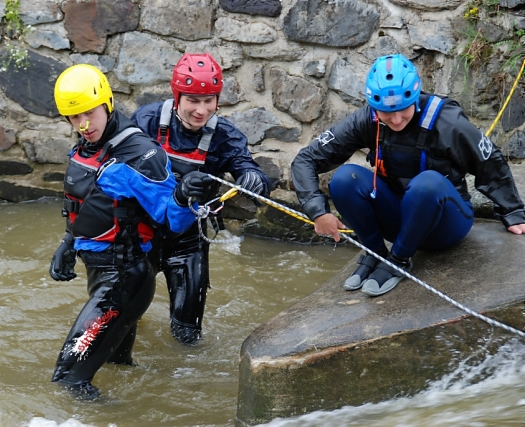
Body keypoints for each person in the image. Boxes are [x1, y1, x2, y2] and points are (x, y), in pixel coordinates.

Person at [291, 53, 525, 297]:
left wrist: (512, 210)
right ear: (374, 106)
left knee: (427, 183)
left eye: (403, 110)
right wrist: (317, 211)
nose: (395, 119)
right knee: (344, 179)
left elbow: (488, 159)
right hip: (399, 220)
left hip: (446, 225)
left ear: (415, 97)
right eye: (385, 112)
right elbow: (306, 159)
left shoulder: (446, 120)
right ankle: (375, 253)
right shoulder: (367, 119)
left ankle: (399, 261)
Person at [48, 64, 214, 399]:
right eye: (72, 117)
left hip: (125, 279)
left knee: (68, 380)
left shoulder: (141, 155)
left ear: (107, 103)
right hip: (99, 270)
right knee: (114, 366)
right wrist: (68, 244)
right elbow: (88, 203)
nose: (81, 124)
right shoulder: (87, 145)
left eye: (88, 113)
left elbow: (172, 221)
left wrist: (182, 195)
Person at [130, 53, 271, 344]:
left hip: (188, 240)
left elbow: (250, 169)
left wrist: (253, 179)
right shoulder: (146, 121)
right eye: (193, 100)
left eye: (209, 101)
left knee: (187, 335)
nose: (201, 110)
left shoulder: (225, 136)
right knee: (125, 320)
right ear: (177, 95)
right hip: (141, 234)